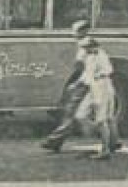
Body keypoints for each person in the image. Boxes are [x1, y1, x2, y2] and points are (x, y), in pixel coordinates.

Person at [40, 20, 93, 153]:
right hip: (92, 81)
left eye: (76, 31)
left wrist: (74, 83)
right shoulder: (91, 43)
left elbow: (80, 66)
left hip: (86, 82)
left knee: (71, 111)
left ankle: (55, 141)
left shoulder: (84, 45)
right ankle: (113, 140)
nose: (73, 34)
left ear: (83, 31)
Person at [75, 36, 120, 159]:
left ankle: (105, 150)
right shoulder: (90, 57)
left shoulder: (100, 55)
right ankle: (114, 141)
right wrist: (78, 83)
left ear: (92, 46)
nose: (84, 50)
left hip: (102, 87)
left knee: (102, 120)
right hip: (96, 87)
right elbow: (87, 74)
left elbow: (108, 70)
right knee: (82, 115)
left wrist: (97, 76)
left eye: (86, 47)